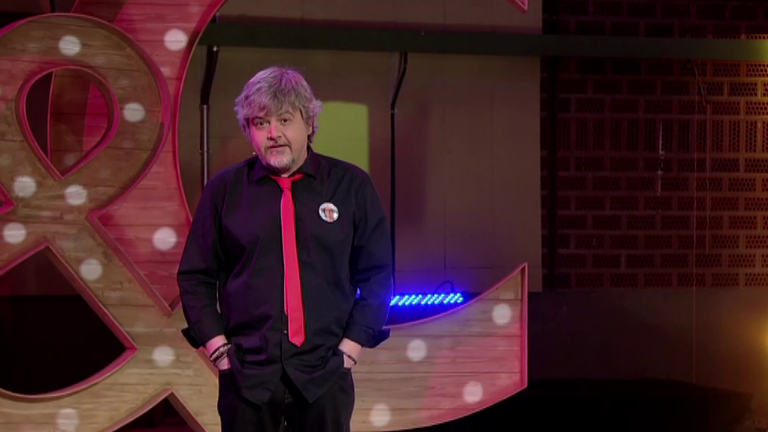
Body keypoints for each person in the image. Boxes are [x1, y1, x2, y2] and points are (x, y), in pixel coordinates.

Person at [177, 66, 393, 431]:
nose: (273, 133)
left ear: (309, 123)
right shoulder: (223, 191)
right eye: (260, 123)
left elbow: (377, 275)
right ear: (248, 131)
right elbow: (195, 277)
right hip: (247, 377)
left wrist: (350, 349)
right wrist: (219, 349)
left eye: (285, 120)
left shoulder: (351, 186)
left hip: (325, 375)